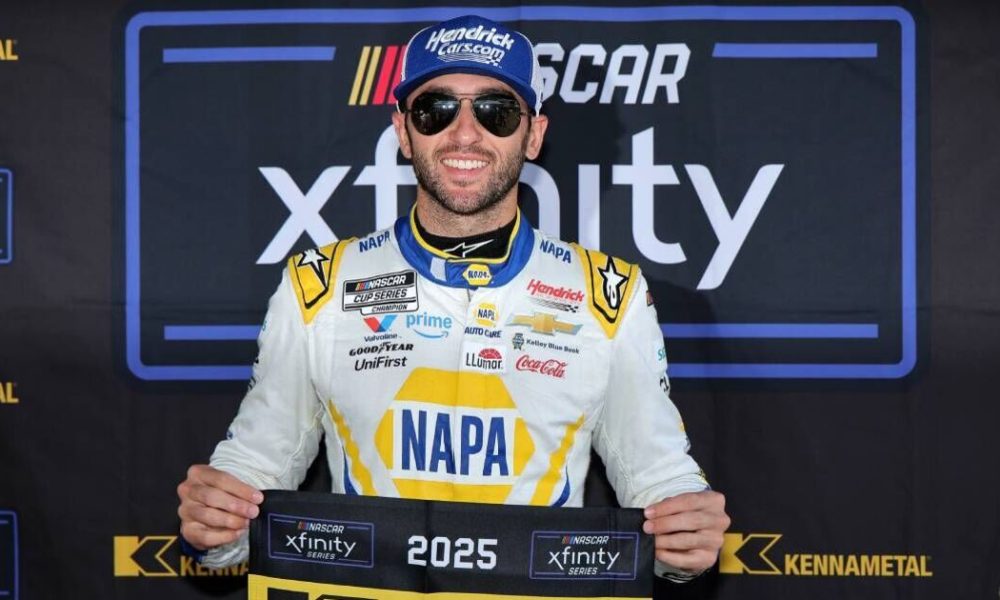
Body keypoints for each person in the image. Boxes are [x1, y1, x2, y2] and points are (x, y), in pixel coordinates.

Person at [177, 14, 729, 582]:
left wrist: (685, 536)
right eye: (435, 109)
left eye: (496, 110)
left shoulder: (608, 295)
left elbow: (660, 483)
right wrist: (216, 525)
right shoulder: (320, 286)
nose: (465, 134)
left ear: (533, 134)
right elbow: (251, 479)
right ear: (402, 130)